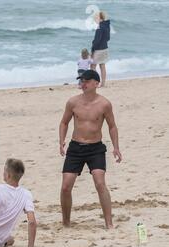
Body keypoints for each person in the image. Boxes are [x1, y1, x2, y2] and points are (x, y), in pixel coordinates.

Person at [59, 70, 122, 229]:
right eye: (81, 80)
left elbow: (112, 126)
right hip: (75, 148)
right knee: (66, 186)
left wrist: (116, 147)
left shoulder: (104, 104)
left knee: (100, 183)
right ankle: (66, 223)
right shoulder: (72, 102)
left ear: (96, 83)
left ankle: (109, 223)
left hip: (96, 149)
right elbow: (64, 123)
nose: (83, 83)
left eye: (86, 81)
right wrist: (61, 141)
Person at [91, 11, 111, 87]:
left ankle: (96, 83)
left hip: (98, 49)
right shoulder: (107, 26)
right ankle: (103, 83)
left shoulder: (99, 27)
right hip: (105, 48)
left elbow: (96, 41)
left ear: (99, 18)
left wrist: (93, 49)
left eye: (95, 19)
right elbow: (108, 38)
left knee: (93, 66)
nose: (95, 20)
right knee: (102, 65)